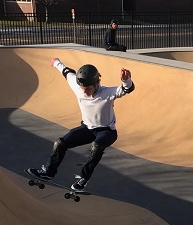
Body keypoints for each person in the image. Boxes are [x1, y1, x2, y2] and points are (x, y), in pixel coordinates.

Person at [27, 57, 135, 190]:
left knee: (96, 147)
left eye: (88, 88)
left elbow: (127, 89)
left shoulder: (107, 93)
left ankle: (83, 179)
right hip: (87, 129)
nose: (84, 91)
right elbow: (67, 72)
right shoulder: (78, 87)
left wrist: (126, 80)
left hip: (107, 132)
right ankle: (48, 172)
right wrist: (56, 63)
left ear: (96, 83)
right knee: (60, 143)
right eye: (83, 88)